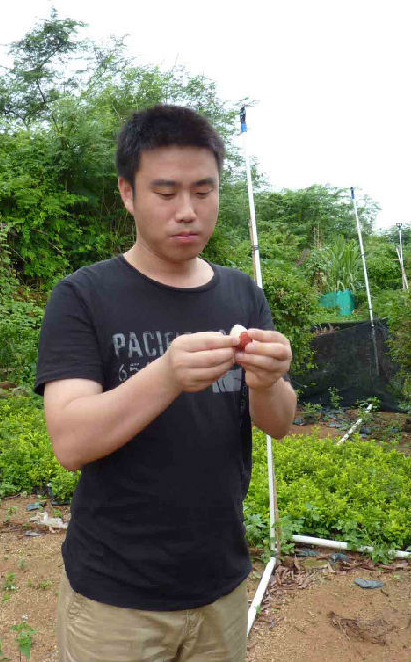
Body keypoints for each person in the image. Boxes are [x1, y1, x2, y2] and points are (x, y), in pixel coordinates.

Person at [34, 104, 296, 661]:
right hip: (115, 598)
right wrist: (167, 375)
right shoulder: (83, 296)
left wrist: (269, 381)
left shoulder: (242, 294)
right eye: (166, 192)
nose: (187, 211)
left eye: (203, 191)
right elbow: (70, 441)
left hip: (221, 586)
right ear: (127, 193)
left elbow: (279, 423)